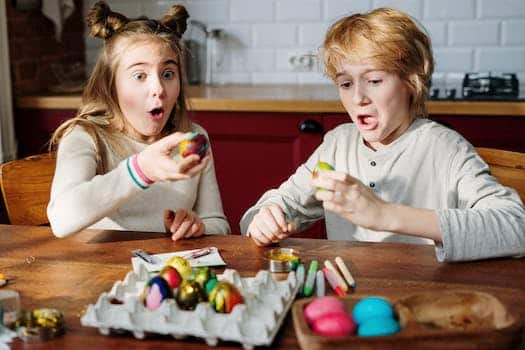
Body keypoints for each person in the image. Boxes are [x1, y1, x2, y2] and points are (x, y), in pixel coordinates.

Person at [240, 7, 525, 262]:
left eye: (374, 80)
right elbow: (270, 209)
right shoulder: (338, 145)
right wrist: (265, 218)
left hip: (424, 303)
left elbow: (516, 227)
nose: (358, 98)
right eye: (345, 83)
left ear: (411, 81)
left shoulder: (444, 148)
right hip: (349, 299)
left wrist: (384, 214)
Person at [47, 1, 230, 239]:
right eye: (139, 75)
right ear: (110, 85)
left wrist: (199, 227)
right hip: (100, 272)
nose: (159, 89)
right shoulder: (85, 136)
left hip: (164, 272)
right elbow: (62, 219)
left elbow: (218, 224)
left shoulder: (194, 138)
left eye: (167, 74)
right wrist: (142, 170)